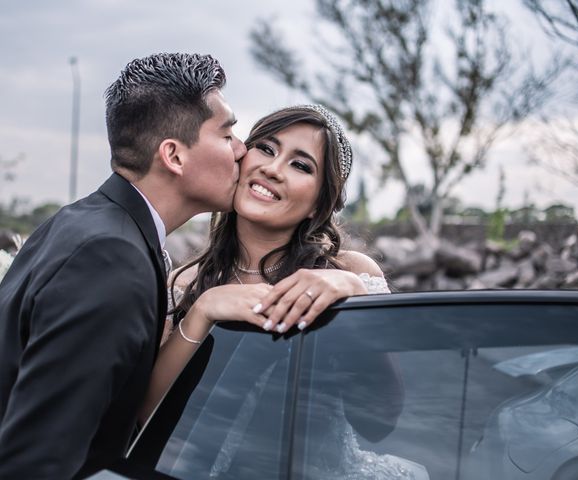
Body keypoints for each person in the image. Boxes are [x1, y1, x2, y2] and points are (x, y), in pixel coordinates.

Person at [0, 53, 247, 479]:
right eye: (227, 134)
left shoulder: (80, 221)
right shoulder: (111, 259)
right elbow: (37, 460)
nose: (242, 149)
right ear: (173, 155)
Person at [141, 104, 391, 421]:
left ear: (319, 204)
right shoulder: (182, 283)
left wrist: (354, 294)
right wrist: (202, 311)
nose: (273, 169)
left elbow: (381, 421)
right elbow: (146, 417)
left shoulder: (352, 272)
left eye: (300, 165)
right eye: (266, 148)